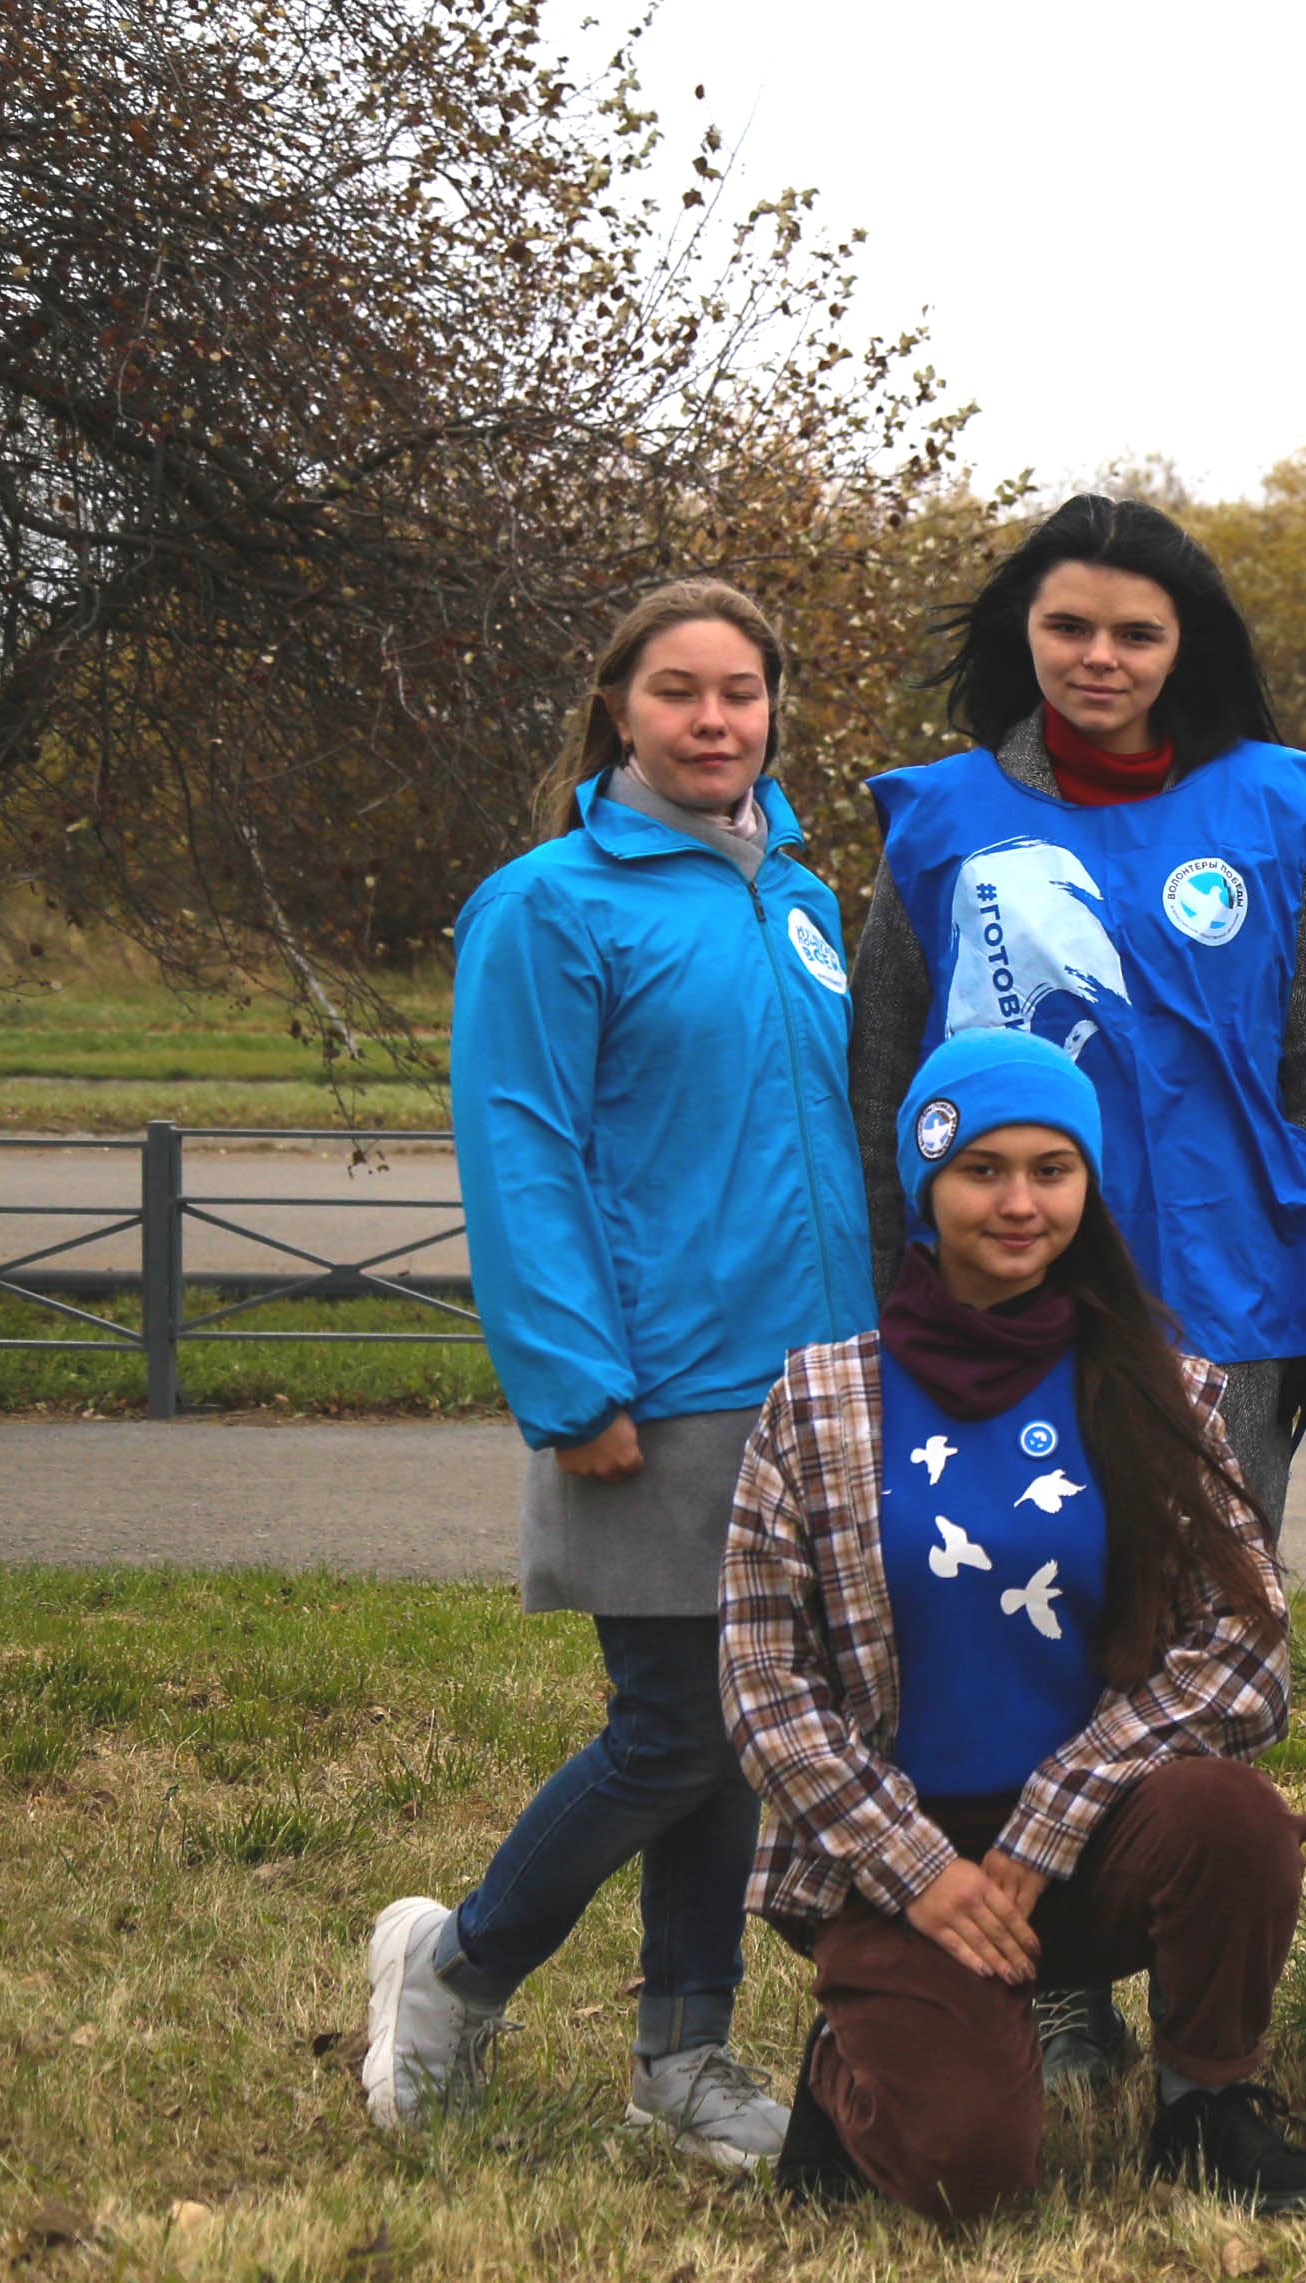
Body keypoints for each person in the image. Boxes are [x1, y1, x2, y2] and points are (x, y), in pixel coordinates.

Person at [360, 581, 872, 2168]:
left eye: (742, 691)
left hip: (816, 1381)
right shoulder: (550, 901)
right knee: (674, 1729)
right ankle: (455, 1966)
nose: (715, 720)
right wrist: (573, 1377)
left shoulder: (804, 897)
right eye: (679, 692)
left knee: (749, 1724)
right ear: (620, 710)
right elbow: (521, 1148)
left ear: (777, 707)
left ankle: (684, 2060)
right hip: (654, 1383)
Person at [721, 1028, 1306, 2221]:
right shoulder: (820, 1399)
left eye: (1052, 1170)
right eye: (981, 1170)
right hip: (900, 1858)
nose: (1018, 1202)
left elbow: (1246, 1650)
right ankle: (850, 2067)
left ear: (1088, 1187)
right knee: (969, 2176)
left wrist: (1053, 1817)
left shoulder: (1164, 1387)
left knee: (1232, 1817)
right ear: (926, 1185)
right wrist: (918, 1872)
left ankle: (1205, 2102)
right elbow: (764, 1687)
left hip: (1092, 1834)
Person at [848, 495, 1306, 1539]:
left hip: (1231, 1293)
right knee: (1016, 1599)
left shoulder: (1270, 812)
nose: (1098, 658)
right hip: (995, 1293)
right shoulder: (939, 826)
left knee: (1213, 1617)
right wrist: (883, 1288)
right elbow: (883, 1078)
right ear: (1025, 629)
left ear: (1180, 645)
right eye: (1069, 627)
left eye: (1135, 634)